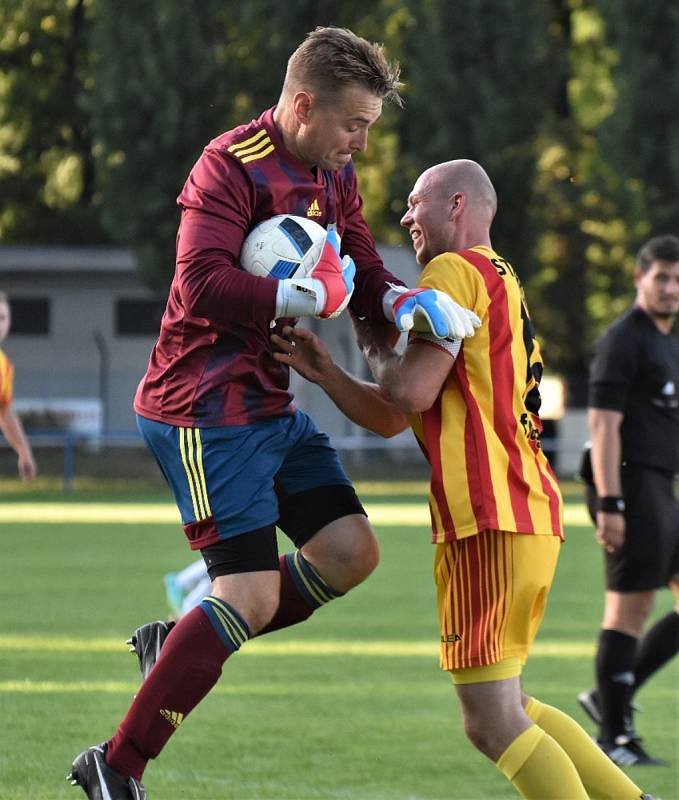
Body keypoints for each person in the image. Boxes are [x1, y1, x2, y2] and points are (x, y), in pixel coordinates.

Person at [68, 27, 480, 799]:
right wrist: (302, 295)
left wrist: (400, 300)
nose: (360, 142)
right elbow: (199, 286)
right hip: (201, 409)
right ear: (301, 106)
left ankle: (180, 640)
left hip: (267, 402)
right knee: (248, 595)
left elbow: (353, 258)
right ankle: (114, 766)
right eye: (352, 125)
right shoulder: (228, 166)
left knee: (351, 552)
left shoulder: (334, 175)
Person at [271, 159, 658, 799]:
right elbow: (400, 416)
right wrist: (328, 373)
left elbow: (410, 388)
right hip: (521, 514)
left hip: (489, 514)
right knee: (512, 707)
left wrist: (367, 328)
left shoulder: (450, 272)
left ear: (455, 205)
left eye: (414, 203)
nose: (405, 217)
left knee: (491, 721)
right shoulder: (498, 275)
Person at [576, 234, 679, 767]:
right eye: (661, 277)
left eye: (677, 279)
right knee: (629, 610)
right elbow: (603, 425)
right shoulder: (624, 340)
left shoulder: (668, 341)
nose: (670, 288)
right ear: (641, 278)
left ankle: (608, 699)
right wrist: (611, 505)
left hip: (660, 487)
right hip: (628, 485)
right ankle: (612, 737)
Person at [0, 292, 37, 482]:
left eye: (2, 318)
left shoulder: (4, 366)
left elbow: (4, 411)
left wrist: (24, 451)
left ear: (9, 322)